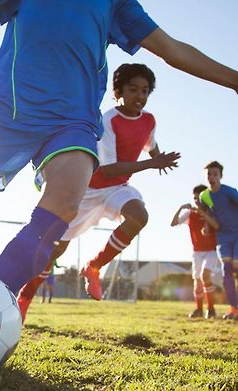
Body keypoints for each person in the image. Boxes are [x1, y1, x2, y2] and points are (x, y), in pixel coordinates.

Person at [0, 1, 238, 299]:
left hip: (73, 122)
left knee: (66, 201)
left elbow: (172, 50)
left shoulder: (117, 2)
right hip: (9, 115)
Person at [17, 63, 181, 322]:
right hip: (88, 188)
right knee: (56, 251)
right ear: (119, 92)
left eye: (145, 91)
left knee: (139, 216)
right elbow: (111, 168)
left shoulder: (149, 120)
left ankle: (93, 267)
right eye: (133, 89)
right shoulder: (109, 120)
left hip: (116, 188)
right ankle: (25, 298)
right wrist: (152, 163)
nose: (140, 96)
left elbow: (151, 144)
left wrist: (160, 157)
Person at [171, 184, 220, 319]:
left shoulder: (212, 212)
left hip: (211, 251)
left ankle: (211, 309)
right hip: (197, 252)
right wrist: (181, 208)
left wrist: (204, 217)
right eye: (195, 198)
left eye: (199, 198)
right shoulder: (190, 214)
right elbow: (173, 223)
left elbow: (216, 226)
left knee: (205, 276)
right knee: (197, 280)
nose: (197, 201)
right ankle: (199, 309)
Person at [200, 161, 238, 320]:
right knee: (226, 271)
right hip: (222, 236)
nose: (211, 177)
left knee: (237, 266)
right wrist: (206, 227)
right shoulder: (204, 196)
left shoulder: (230, 192)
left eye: (215, 174)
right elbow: (207, 214)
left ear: (220, 176)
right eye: (209, 174)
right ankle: (234, 309)